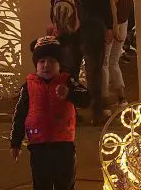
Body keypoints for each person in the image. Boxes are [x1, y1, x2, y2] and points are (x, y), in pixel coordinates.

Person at [10, 36, 91, 189]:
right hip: (38, 146)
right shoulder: (28, 86)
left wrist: (69, 94)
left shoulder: (68, 81)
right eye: (42, 61)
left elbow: (86, 98)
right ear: (36, 64)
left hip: (63, 145)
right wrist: (16, 142)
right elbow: (20, 114)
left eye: (52, 61)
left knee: (65, 183)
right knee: (41, 183)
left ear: (60, 64)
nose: (46, 65)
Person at [50, 0, 112, 125]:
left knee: (69, 71)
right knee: (94, 70)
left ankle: (70, 112)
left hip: (66, 27)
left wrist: (55, 24)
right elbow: (104, 0)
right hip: (91, 26)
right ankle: (96, 112)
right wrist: (109, 26)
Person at [97, 0, 130, 110]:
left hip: (112, 25)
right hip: (123, 23)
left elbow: (111, 5)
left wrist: (112, 28)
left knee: (104, 62)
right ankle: (122, 98)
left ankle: (104, 101)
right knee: (114, 62)